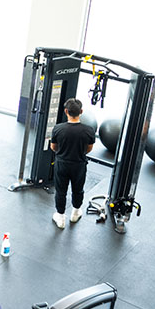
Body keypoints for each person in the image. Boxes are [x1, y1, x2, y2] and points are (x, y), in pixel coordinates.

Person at [49, 98, 97, 230]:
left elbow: (53, 147)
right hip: (79, 165)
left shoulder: (58, 128)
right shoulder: (89, 130)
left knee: (60, 190)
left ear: (66, 111)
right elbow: (89, 149)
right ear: (81, 111)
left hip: (62, 164)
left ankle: (60, 217)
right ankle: (75, 213)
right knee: (78, 189)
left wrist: (64, 152)